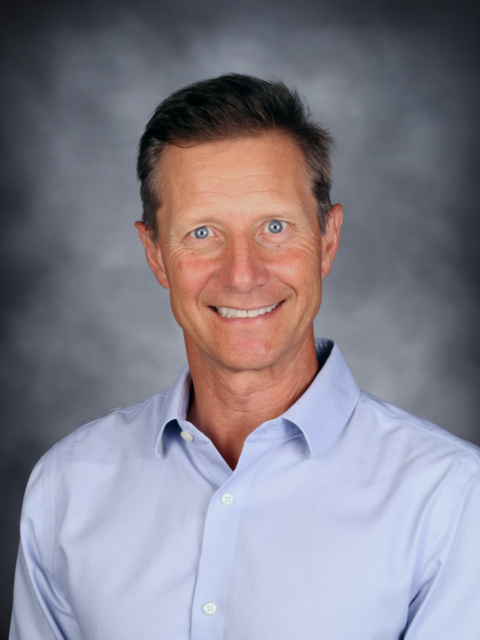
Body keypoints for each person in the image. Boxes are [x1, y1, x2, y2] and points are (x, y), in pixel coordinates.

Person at [10, 74, 480, 639]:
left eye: (274, 227)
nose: (242, 273)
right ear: (155, 254)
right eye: (202, 232)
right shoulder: (66, 488)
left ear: (327, 240)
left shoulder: (451, 499)